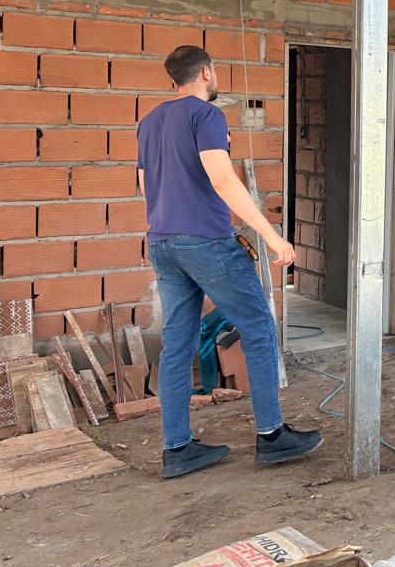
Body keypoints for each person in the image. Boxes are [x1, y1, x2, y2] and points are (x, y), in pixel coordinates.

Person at [137, 45, 321, 479]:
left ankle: (177, 448)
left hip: (163, 242)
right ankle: (272, 436)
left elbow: (145, 186)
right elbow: (223, 180)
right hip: (206, 241)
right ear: (206, 72)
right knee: (258, 327)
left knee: (177, 343)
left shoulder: (149, 122)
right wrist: (273, 236)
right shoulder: (207, 117)